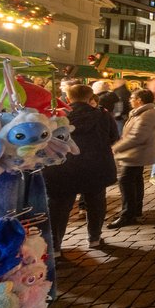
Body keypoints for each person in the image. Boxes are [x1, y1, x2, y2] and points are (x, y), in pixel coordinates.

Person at [43, 84, 119, 253]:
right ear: (90, 97)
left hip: (63, 168)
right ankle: (94, 238)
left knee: (59, 208)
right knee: (96, 203)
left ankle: (55, 246)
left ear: (68, 98)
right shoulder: (103, 116)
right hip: (95, 166)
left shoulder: (58, 116)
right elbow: (114, 136)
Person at [108, 89, 155, 228]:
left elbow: (136, 137)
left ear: (140, 100)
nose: (130, 100)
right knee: (135, 180)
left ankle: (128, 215)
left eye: (132, 98)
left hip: (136, 153)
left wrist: (115, 148)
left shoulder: (146, 114)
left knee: (126, 181)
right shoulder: (141, 112)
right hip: (135, 153)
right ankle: (135, 211)